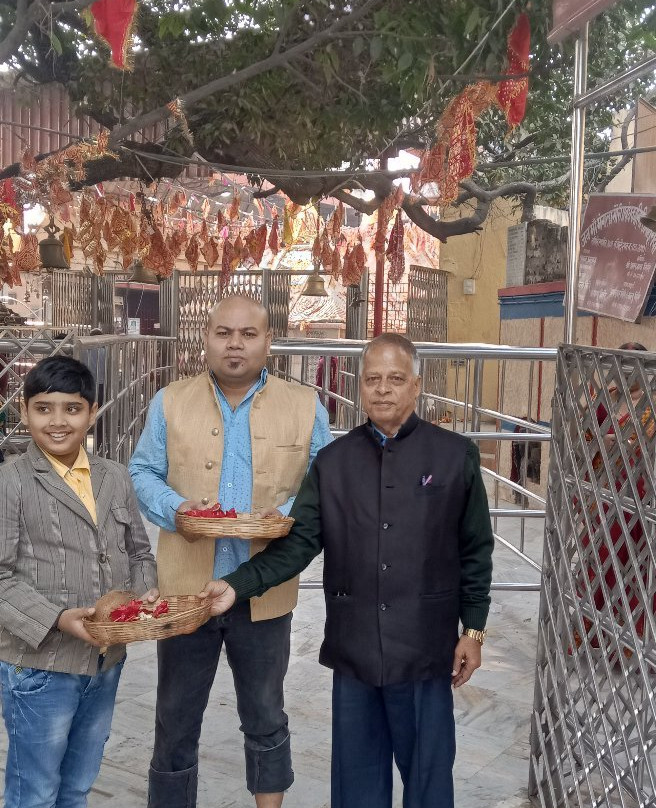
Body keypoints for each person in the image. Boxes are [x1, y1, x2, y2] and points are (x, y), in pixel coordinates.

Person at [202, 333, 494, 808]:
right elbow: (298, 544)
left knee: (429, 781)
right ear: (360, 387)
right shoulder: (334, 463)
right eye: (373, 380)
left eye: (395, 379)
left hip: (424, 645)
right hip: (355, 648)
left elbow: (476, 550)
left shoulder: (453, 455)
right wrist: (237, 586)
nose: (383, 390)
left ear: (416, 386)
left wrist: (474, 630)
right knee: (357, 786)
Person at [128, 295, 332, 808]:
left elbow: (324, 480)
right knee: (174, 718)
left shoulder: (306, 406)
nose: (234, 343)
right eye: (223, 333)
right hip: (186, 592)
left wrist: (283, 514)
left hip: (264, 590)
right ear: (206, 339)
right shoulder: (169, 401)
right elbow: (142, 471)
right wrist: (176, 511)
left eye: (247, 334)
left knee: (265, 713)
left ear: (268, 341)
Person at [0, 355, 158, 808]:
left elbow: (139, 552)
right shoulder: (11, 482)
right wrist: (58, 618)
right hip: (40, 665)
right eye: (43, 408)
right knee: (35, 791)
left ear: (93, 411)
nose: (57, 421)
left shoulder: (114, 476)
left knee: (76, 786)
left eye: (71, 408)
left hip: (104, 663)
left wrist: (145, 591)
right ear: (24, 411)